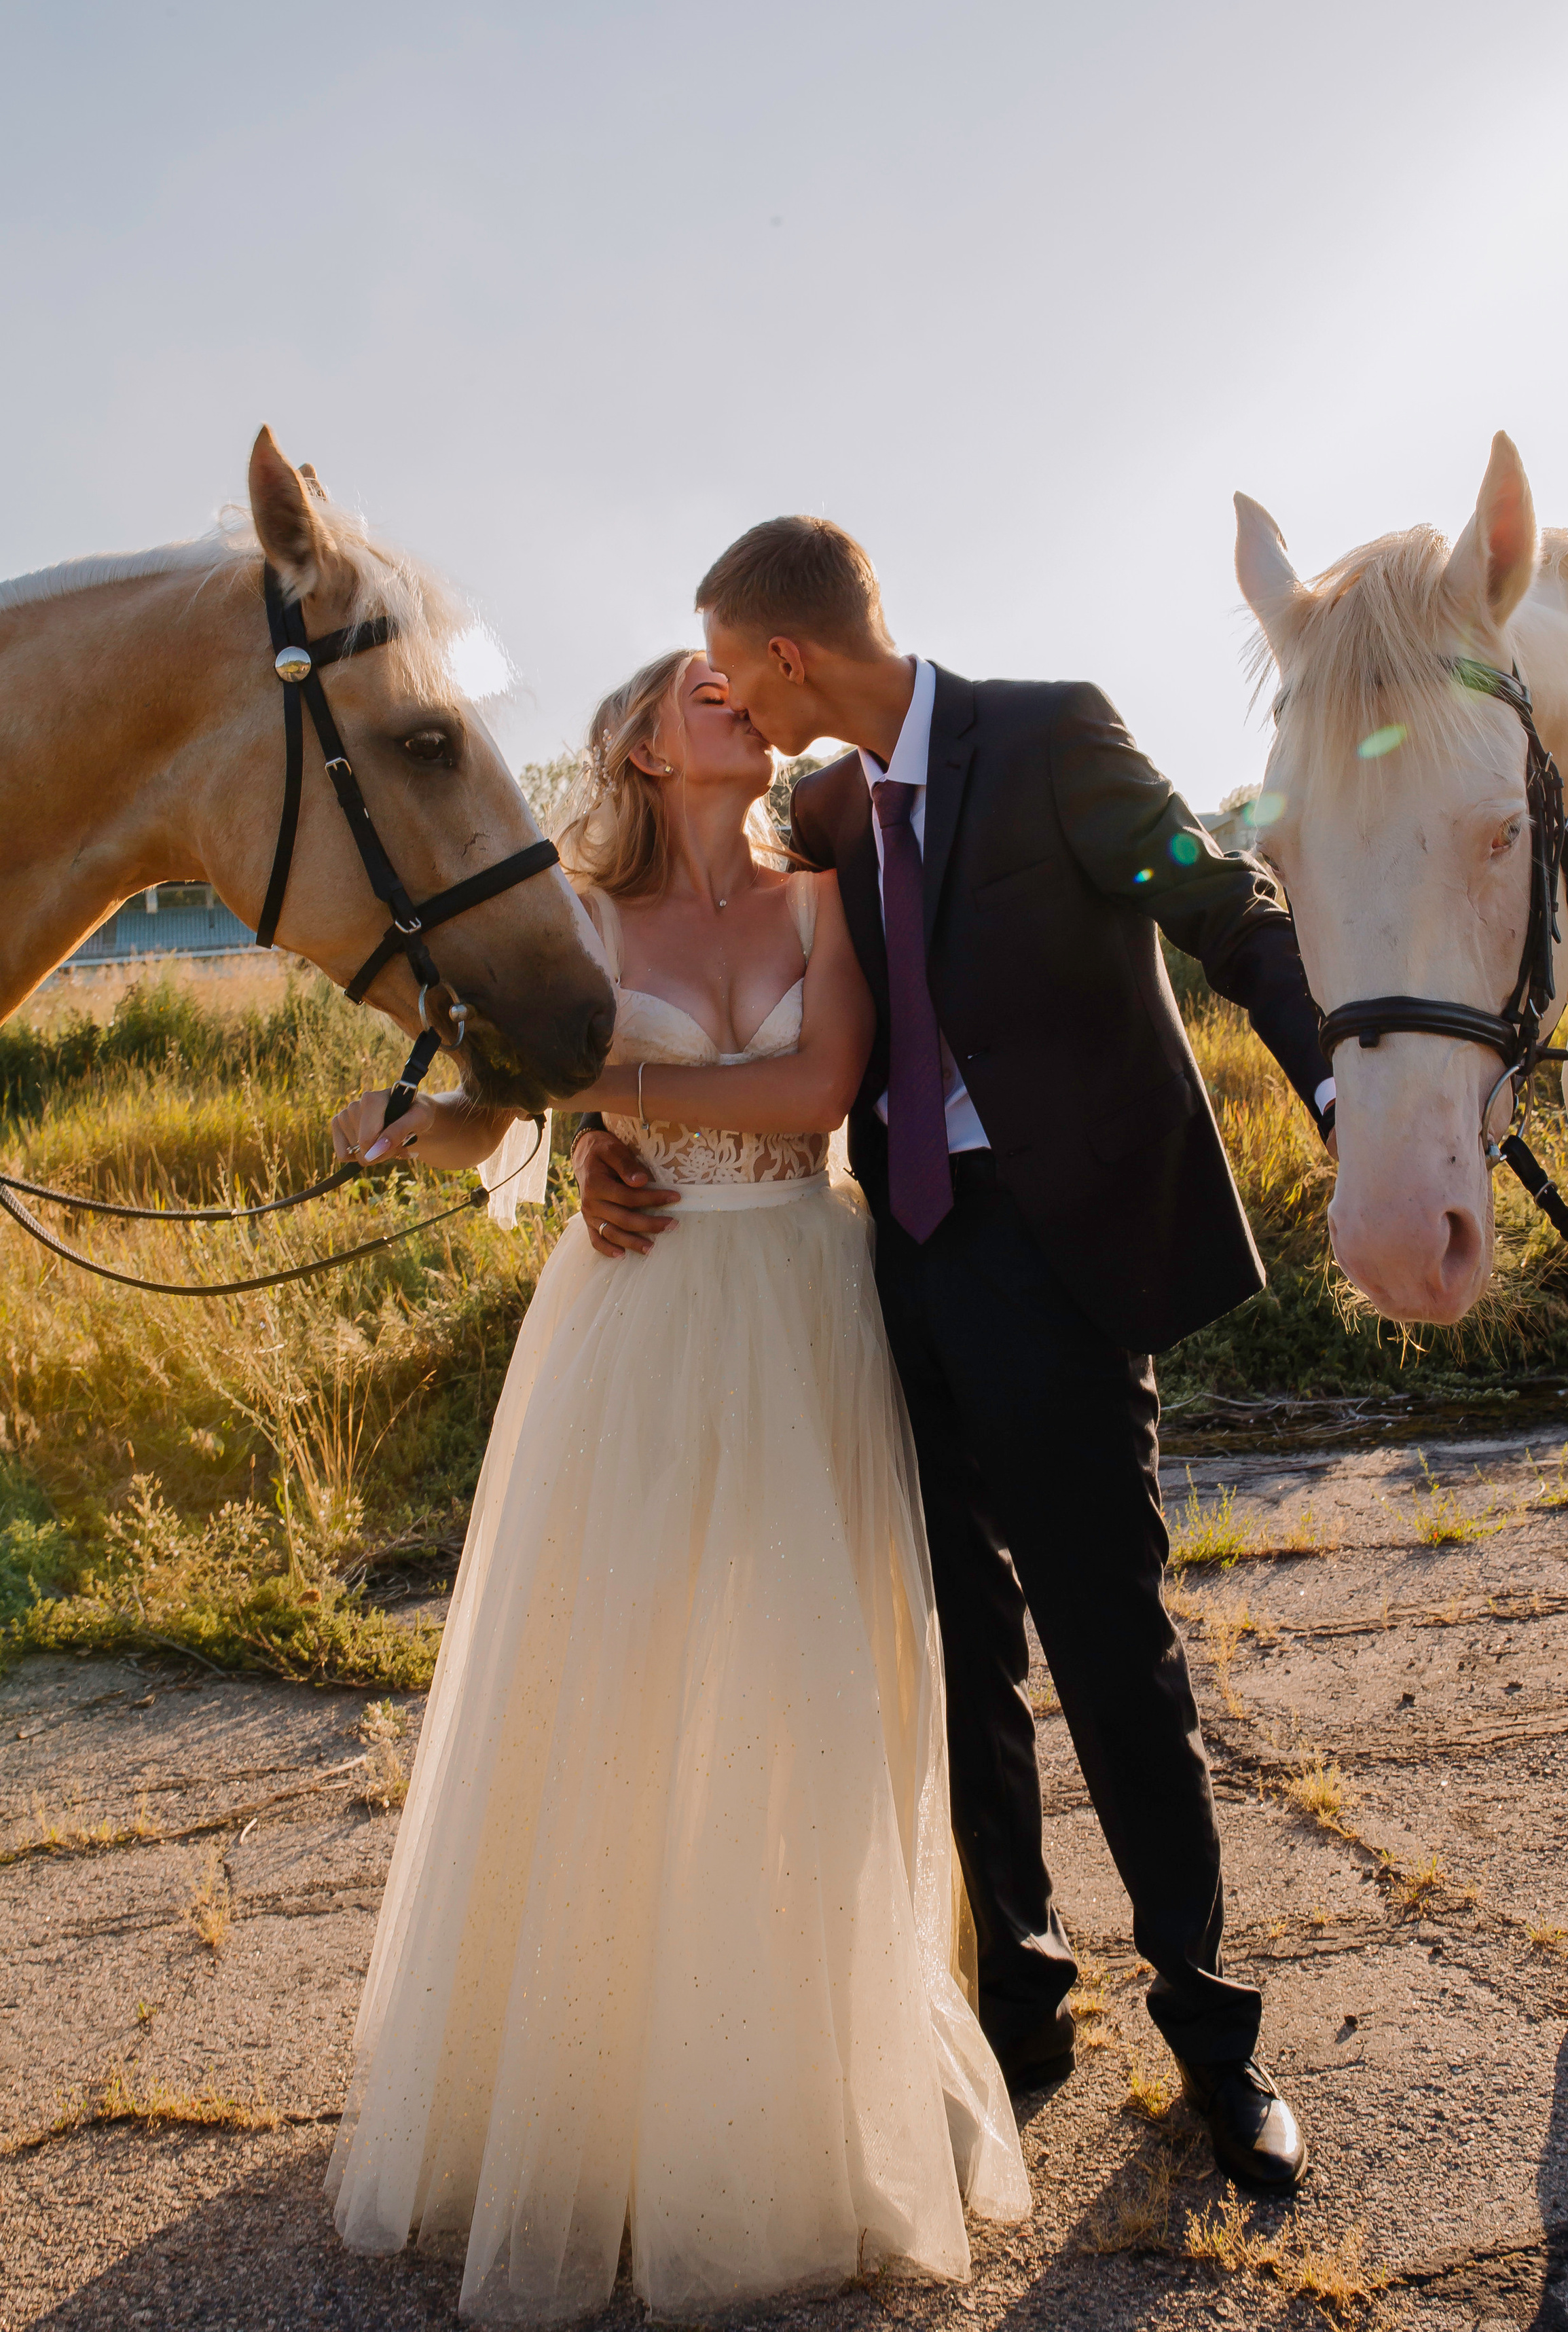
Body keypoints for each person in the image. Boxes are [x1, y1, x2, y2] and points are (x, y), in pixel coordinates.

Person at [576, 520, 1333, 2193]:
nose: (731, 708)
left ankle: (1217, 2040)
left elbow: (1220, 903)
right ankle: (1024, 2001)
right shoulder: (835, 811)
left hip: (1053, 1265)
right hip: (881, 1272)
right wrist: (594, 1136)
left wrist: (1340, 1087)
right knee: (953, 1653)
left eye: (730, 670)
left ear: (784, 657)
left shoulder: (1050, 729)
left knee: (1109, 1648)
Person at [323, 651, 1028, 2322]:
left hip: (799, 1295)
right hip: (633, 1319)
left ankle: (787, 2084)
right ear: (640, 744)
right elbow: (492, 1094)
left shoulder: (813, 900)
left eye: (739, 685)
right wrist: (415, 1123)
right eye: (697, 688)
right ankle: (586, 2093)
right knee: (612, 1679)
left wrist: (606, 1100)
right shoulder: (564, 918)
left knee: (803, 1680)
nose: (734, 699)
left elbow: (811, 1092)